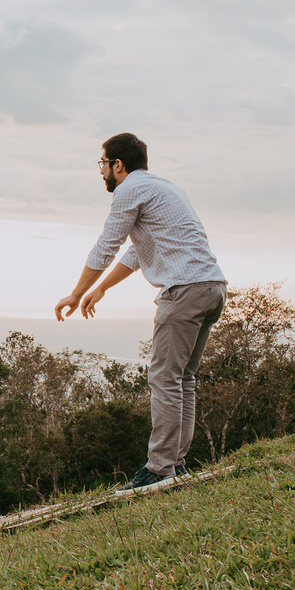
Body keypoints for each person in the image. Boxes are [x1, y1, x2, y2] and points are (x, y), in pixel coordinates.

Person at [54, 133, 226, 493]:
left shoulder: (129, 190)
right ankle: (175, 463)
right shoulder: (167, 188)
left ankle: (160, 468)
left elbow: (107, 245)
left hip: (183, 292)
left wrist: (76, 292)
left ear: (118, 165)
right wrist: (102, 287)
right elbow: (138, 250)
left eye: (103, 164)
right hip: (212, 288)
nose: (102, 172)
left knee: (164, 378)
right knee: (184, 379)